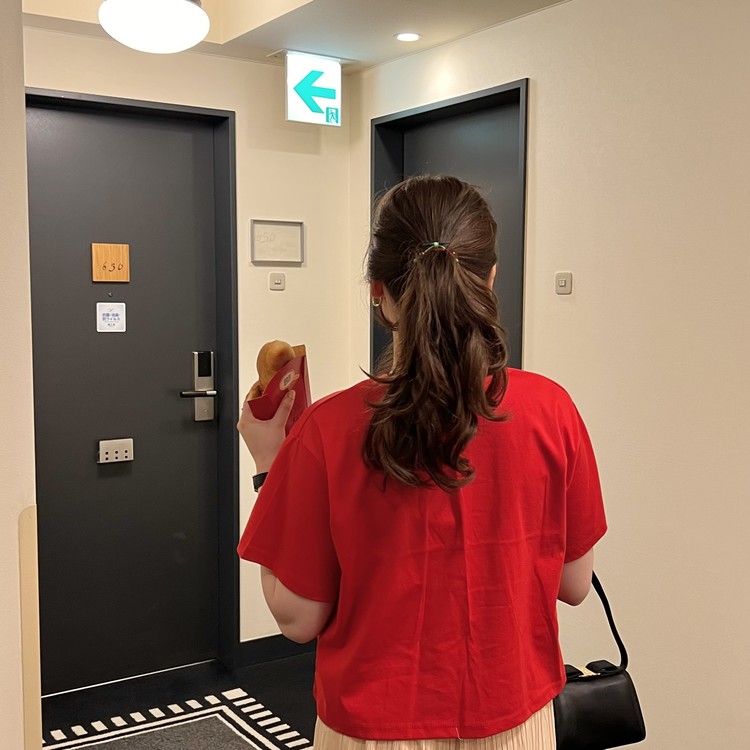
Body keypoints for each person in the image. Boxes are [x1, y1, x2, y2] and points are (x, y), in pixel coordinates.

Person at [237, 175, 607, 750]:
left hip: (373, 730)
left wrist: (269, 463)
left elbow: (298, 619)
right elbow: (575, 584)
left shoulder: (326, 431)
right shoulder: (552, 409)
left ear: (377, 291)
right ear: (490, 277)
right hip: (516, 723)